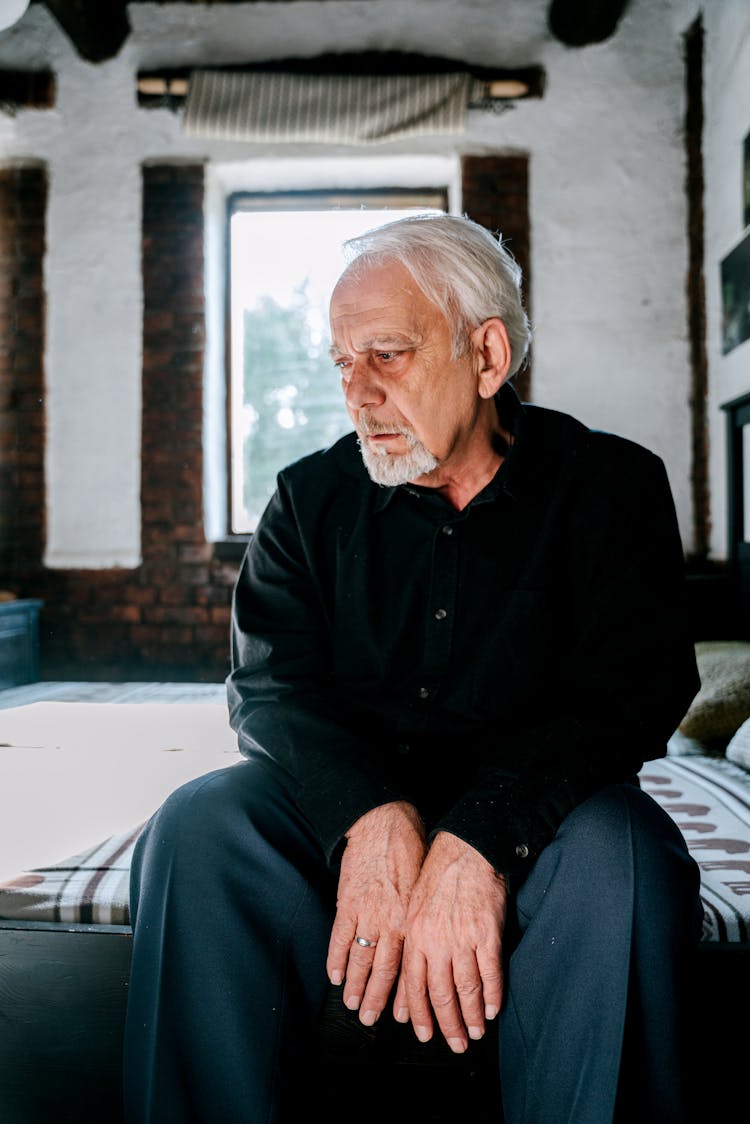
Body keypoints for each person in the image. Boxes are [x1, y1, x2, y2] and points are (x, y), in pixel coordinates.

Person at [123, 213, 703, 1124]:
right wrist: (371, 817)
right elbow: (271, 689)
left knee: (628, 856)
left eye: (386, 354)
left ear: (486, 353)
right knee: (198, 824)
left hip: (543, 823)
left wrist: (479, 839)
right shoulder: (307, 500)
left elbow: (634, 691)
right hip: (347, 817)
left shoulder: (612, 487)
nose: (357, 391)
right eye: (342, 362)